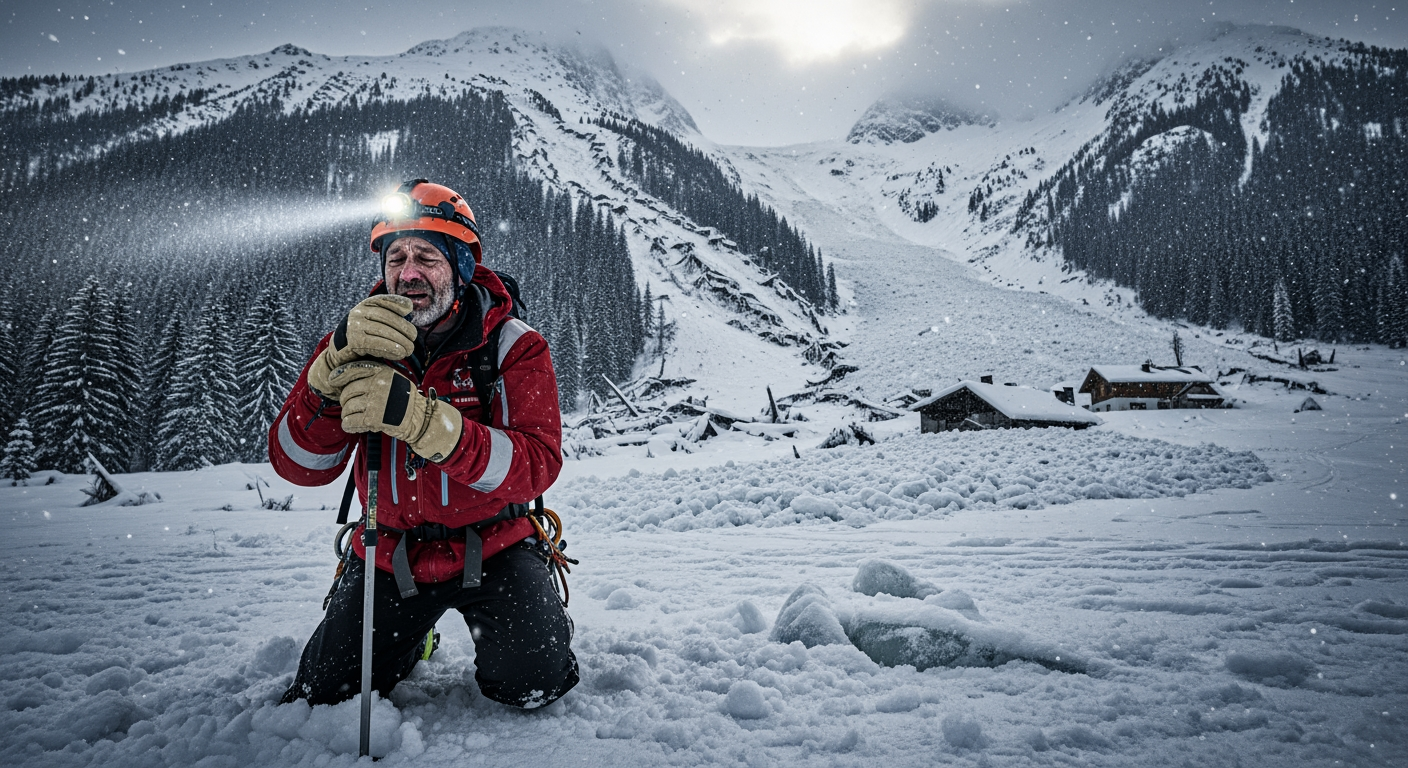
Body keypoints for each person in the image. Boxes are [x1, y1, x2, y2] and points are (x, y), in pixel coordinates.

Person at [269, 179, 577, 710]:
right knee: (325, 696)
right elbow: (299, 465)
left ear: (459, 267)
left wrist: (429, 425)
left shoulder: (513, 345)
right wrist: (324, 382)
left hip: (497, 546)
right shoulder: (352, 345)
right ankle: (416, 636)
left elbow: (538, 463)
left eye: (427, 258)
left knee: (533, 684)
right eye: (397, 258)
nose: (408, 274)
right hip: (390, 554)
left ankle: (522, 614)